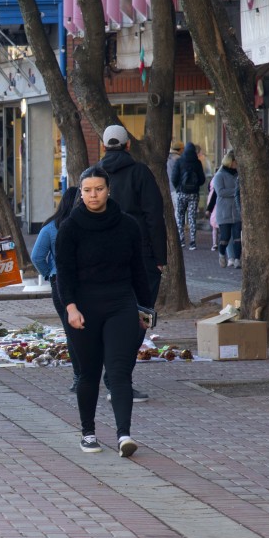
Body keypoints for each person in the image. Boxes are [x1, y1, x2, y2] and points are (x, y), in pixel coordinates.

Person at [55, 166, 150, 458]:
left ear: (108, 190)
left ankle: (124, 435)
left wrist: (145, 309)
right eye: (87, 190)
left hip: (121, 303)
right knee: (89, 373)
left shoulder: (127, 225)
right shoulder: (70, 228)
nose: (93, 194)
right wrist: (71, 308)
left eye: (98, 189)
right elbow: (64, 274)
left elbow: (139, 270)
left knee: (120, 372)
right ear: (80, 193)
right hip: (83, 307)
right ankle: (88, 432)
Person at [98, 125, 166, 402]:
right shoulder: (140, 173)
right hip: (141, 257)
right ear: (128, 146)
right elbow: (154, 217)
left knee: (109, 316)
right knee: (140, 316)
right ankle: (118, 377)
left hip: (101, 258)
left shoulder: (94, 175)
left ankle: (110, 375)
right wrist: (160, 257)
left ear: (103, 147)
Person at [30, 186, 80, 392]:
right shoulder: (78, 225)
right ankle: (88, 374)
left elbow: (37, 257)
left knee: (71, 331)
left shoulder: (50, 227)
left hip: (59, 283)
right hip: (82, 282)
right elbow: (36, 256)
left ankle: (79, 376)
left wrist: (49, 273)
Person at [171, 142, 206, 250]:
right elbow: (202, 179)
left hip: (181, 193)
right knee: (192, 217)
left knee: (180, 216)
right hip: (194, 195)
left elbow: (174, 178)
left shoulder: (179, 162)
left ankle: (181, 240)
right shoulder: (197, 163)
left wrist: (178, 187)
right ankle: (192, 242)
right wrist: (195, 187)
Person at [209, 150, 241, 268]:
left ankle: (237, 259)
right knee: (225, 237)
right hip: (224, 212)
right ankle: (222, 253)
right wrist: (236, 192)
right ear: (231, 162)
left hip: (237, 211)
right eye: (235, 161)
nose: (237, 164)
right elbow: (220, 192)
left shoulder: (238, 174)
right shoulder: (219, 175)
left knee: (238, 237)